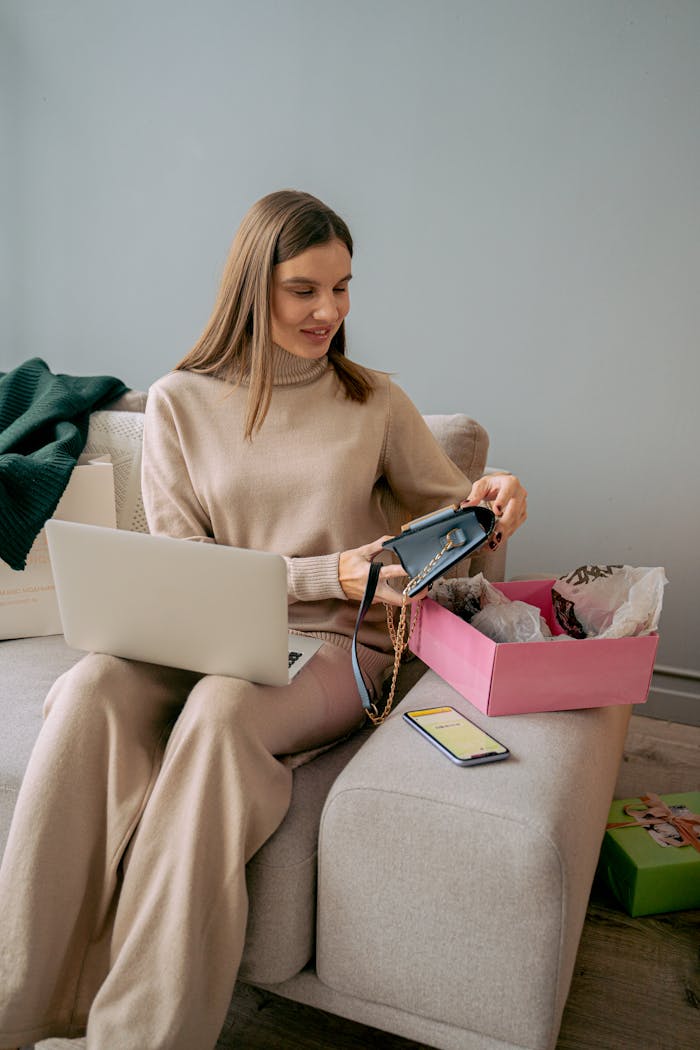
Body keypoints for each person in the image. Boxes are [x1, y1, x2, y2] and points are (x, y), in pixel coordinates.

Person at [0, 189, 527, 1050]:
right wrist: (329, 566)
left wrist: (501, 501)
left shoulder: (374, 402)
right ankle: (17, 1003)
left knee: (220, 714)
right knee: (89, 685)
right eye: (305, 290)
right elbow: (184, 564)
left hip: (337, 645)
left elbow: (463, 545)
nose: (330, 311)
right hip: (208, 632)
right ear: (254, 287)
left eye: (343, 288)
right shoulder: (179, 401)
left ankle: (141, 1037)